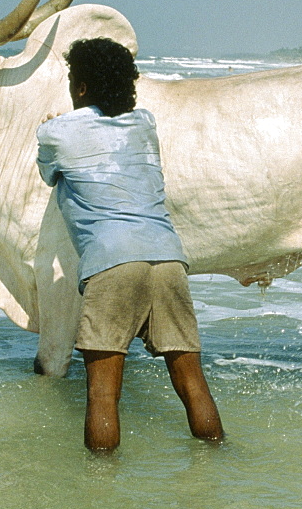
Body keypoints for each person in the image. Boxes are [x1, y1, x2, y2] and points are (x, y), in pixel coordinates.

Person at [36, 37, 223, 451]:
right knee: (192, 383)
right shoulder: (145, 124)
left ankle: (101, 493)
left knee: (103, 395)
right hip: (169, 258)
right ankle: (218, 464)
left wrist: (56, 126)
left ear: (80, 89)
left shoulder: (55, 132)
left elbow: (49, 174)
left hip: (113, 263)